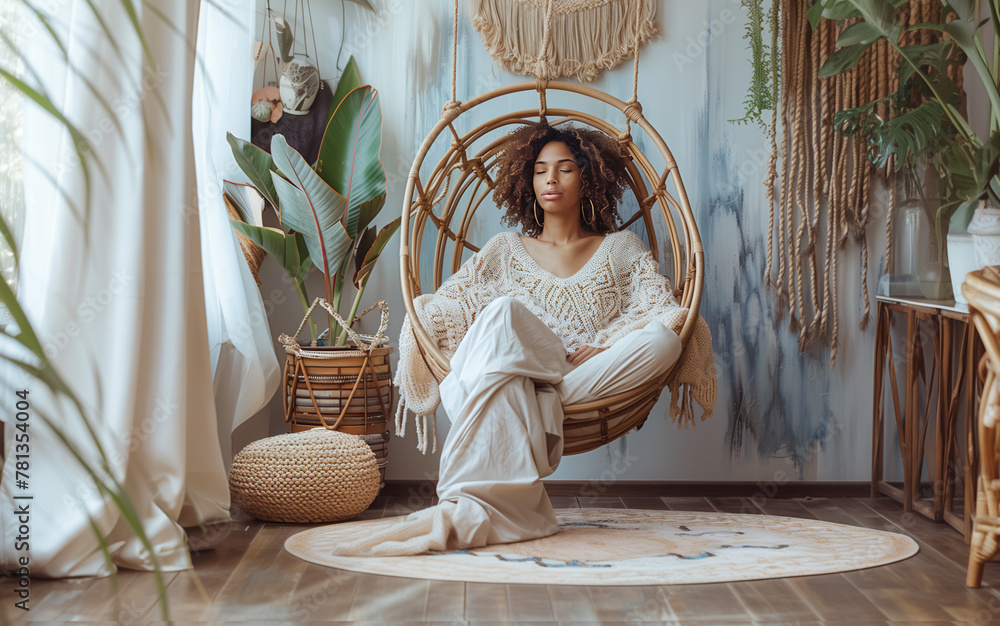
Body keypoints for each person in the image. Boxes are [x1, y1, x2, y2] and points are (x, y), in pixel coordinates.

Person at [330, 123, 716, 557]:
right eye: (539, 170)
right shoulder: (504, 249)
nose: (550, 180)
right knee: (504, 314)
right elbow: (447, 305)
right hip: (520, 370)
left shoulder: (622, 248)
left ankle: (486, 455)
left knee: (665, 341)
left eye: (565, 169)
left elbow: (661, 310)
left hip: (581, 378)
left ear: (588, 177)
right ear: (526, 181)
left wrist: (608, 345)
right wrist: (429, 319)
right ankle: (497, 477)